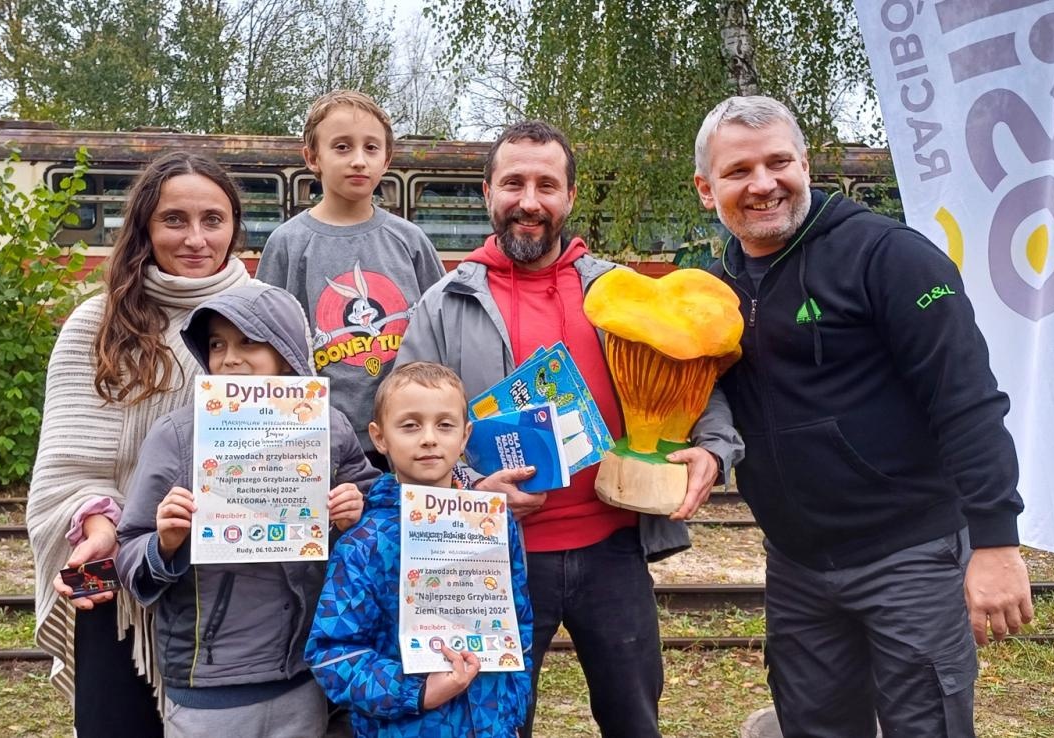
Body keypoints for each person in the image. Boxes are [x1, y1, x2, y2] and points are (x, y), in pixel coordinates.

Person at [692, 95, 1034, 737]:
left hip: (910, 556)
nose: (763, 184)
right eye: (739, 171)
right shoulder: (715, 290)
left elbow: (967, 402)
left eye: (779, 162)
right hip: (795, 566)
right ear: (707, 190)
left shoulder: (890, 256)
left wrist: (995, 542)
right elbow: (707, 397)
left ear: (805, 165)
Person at [396, 121, 743, 738]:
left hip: (612, 550)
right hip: (494, 560)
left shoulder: (622, 293)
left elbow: (698, 378)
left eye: (546, 185)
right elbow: (404, 426)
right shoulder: (443, 304)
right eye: (514, 183)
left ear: (570, 198)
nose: (529, 200)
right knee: (496, 726)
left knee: (635, 719)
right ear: (487, 193)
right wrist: (473, 490)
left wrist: (713, 450)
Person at [27, 151, 255, 734]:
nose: (196, 238)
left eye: (213, 219)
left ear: (234, 226)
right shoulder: (96, 323)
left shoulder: (269, 316)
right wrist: (101, 525)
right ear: (144, 228)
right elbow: (65, 468)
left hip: (244, 587)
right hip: (122, 577)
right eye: (174, 220)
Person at [113, 282, 379, 736]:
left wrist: (356, 512)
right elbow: (129, 551)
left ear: (287, 353)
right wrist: (165, 543)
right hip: (209, 685)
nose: (229, 358)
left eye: (248, 342)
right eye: (217, 344)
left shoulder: (328, 428)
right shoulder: (178, 435)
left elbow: (380, 524)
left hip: (304, 674)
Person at [305, 361, 533, 737]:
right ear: (379, 438)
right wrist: (419, 692)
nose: (429, 438)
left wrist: (510, 705)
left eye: (445, 425)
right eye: (410, 425)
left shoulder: (495, 525)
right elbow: (333, 653)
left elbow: (518, 622)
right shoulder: (365, 541)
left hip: (491, 725)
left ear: (465, 436)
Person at [257, 90, 447, 471]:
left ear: (387, 159)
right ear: (312, 157)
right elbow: (266, 342)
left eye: (371, 148)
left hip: (408, 442)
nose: (359, 160)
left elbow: (440, 329)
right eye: (342, 147)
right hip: (319, 439)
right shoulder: (288, 244)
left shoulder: (410, 241)